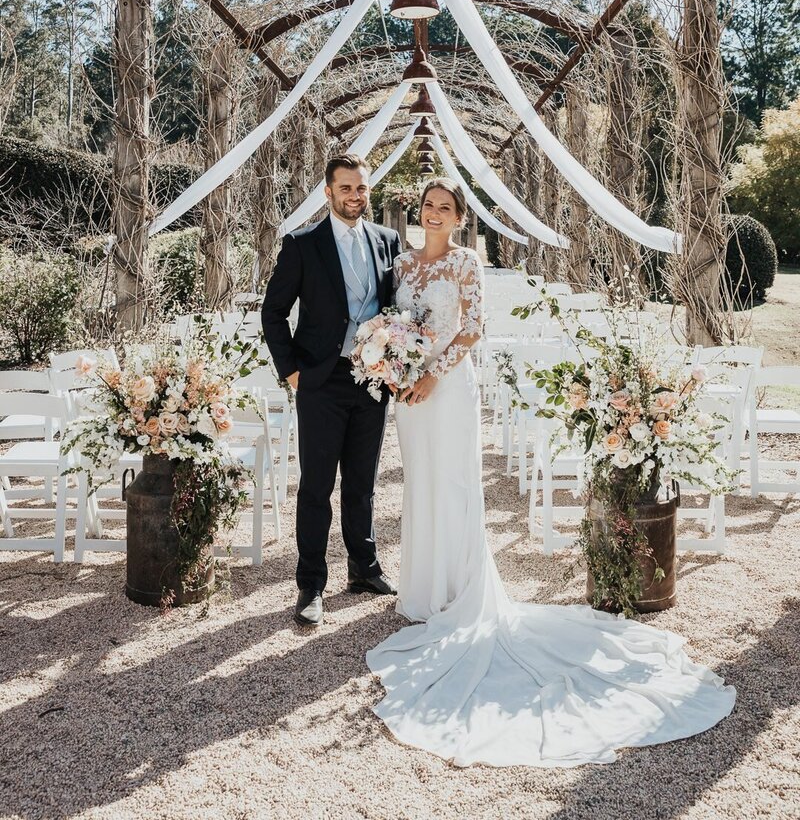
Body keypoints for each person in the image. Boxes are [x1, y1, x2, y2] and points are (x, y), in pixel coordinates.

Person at [366, 177, 736, 767]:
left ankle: (459, 590)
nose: (433, 214)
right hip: (410, 394)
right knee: (420, 482)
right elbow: (389, 326)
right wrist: (394, 369)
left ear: (459, 218)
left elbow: (473, 327)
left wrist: (434, 372)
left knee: (455, 483)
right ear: (419, 212)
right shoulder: (401, 264)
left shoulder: (466, 263)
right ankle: (422, 589)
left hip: (450, 389)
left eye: (444, 208)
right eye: (427, 206)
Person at [262, 153, 402, 628]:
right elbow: (273, 312)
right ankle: (311, 584)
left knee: (362, 483)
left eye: (361, 188)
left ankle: (364, 569)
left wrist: (397, 362)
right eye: (345, 188)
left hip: (373, 381)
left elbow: (398, 308)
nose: (355, 196)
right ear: (328, 192)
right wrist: (292, 372)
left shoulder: (388, 241)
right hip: (320, 381)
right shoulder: (302, 244)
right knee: (317, 487)